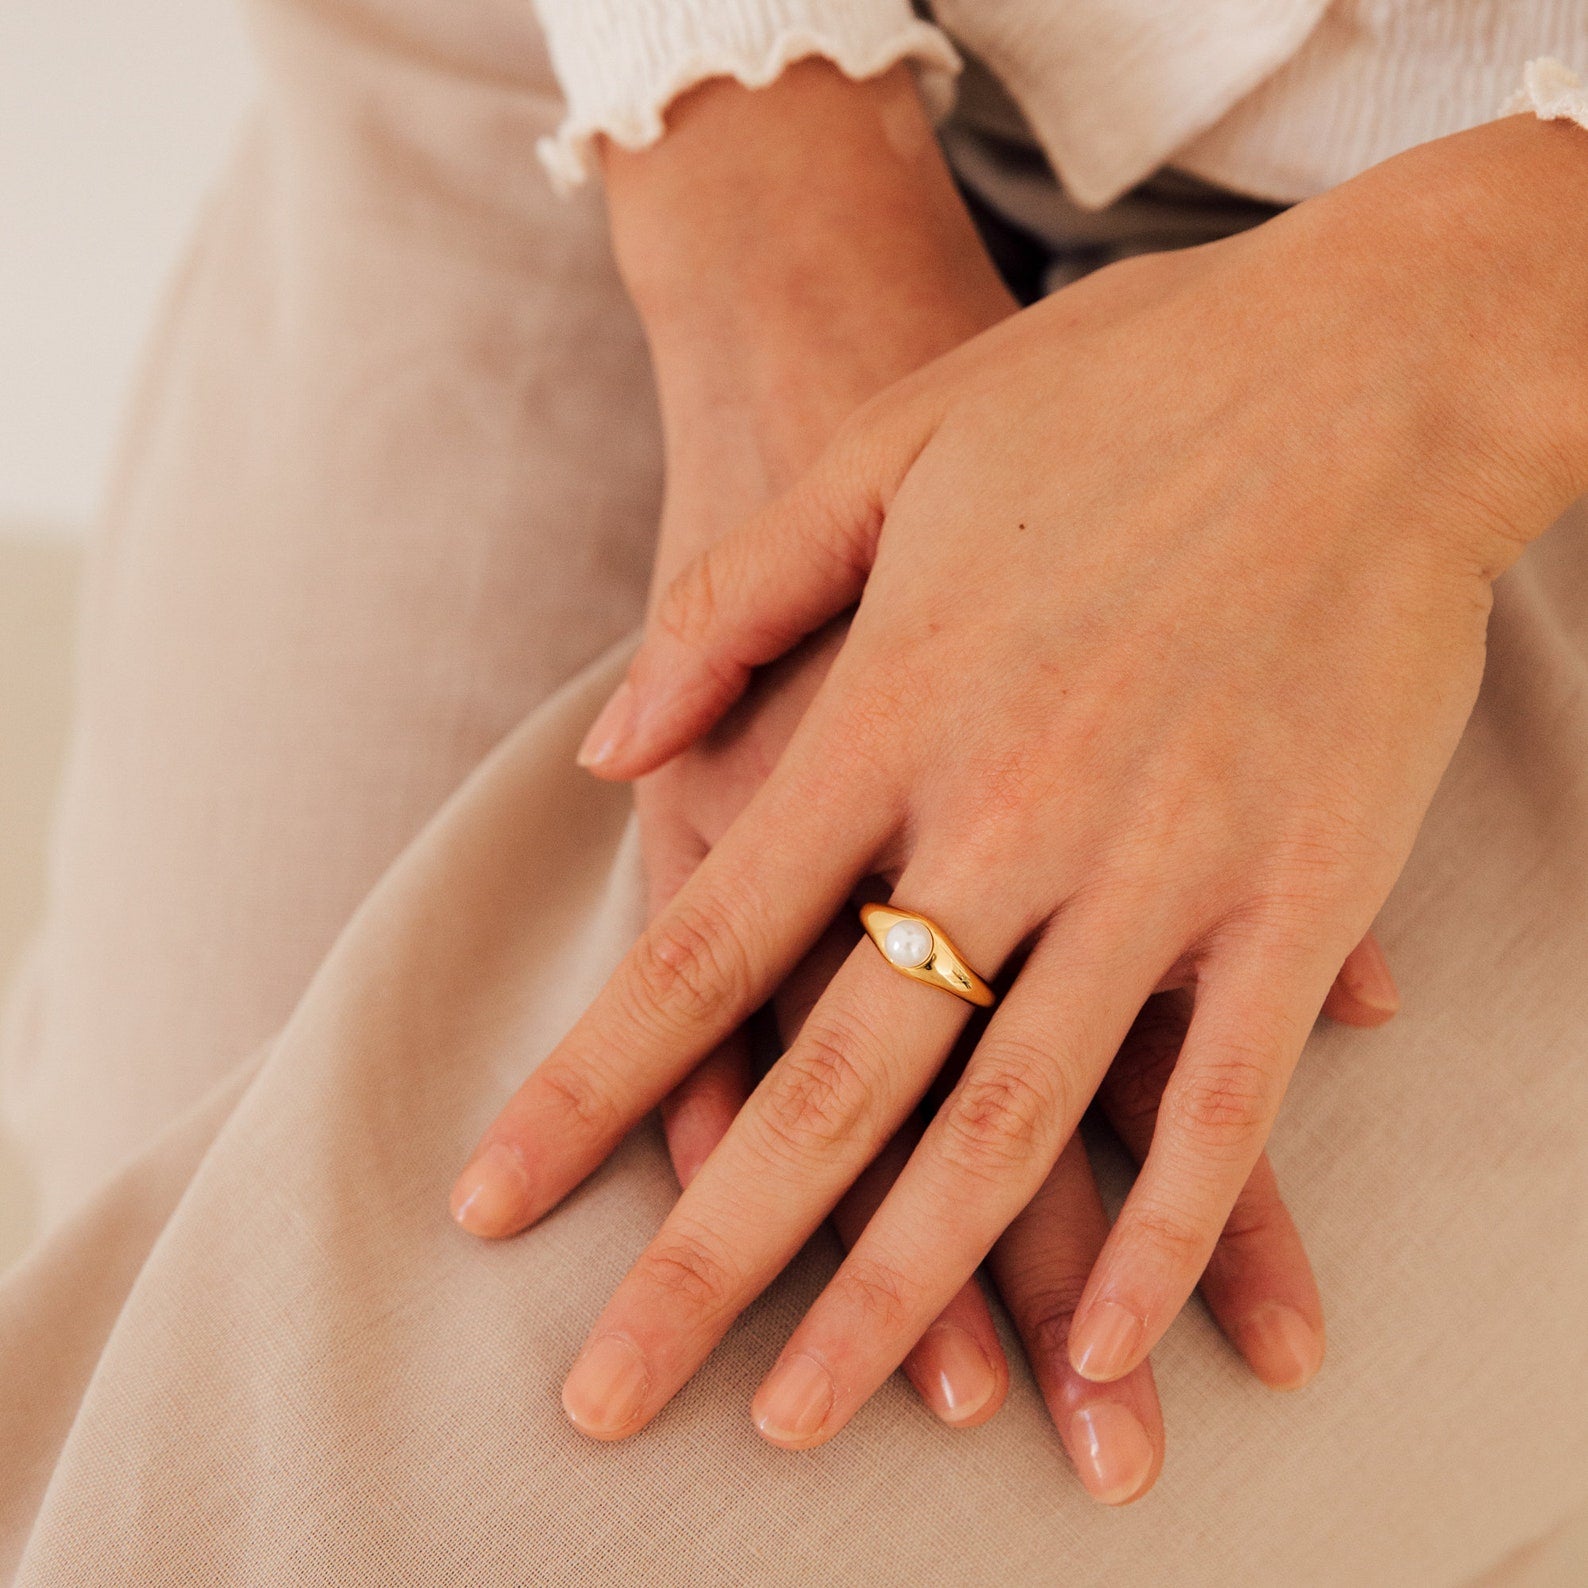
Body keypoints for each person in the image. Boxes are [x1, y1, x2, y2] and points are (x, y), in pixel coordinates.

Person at [1, 1, 1586, 1581]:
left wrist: (1457, 347)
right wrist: (769, 226)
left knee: (373, 1523)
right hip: (645, 81)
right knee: (122, 1362)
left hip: (1516, 269)